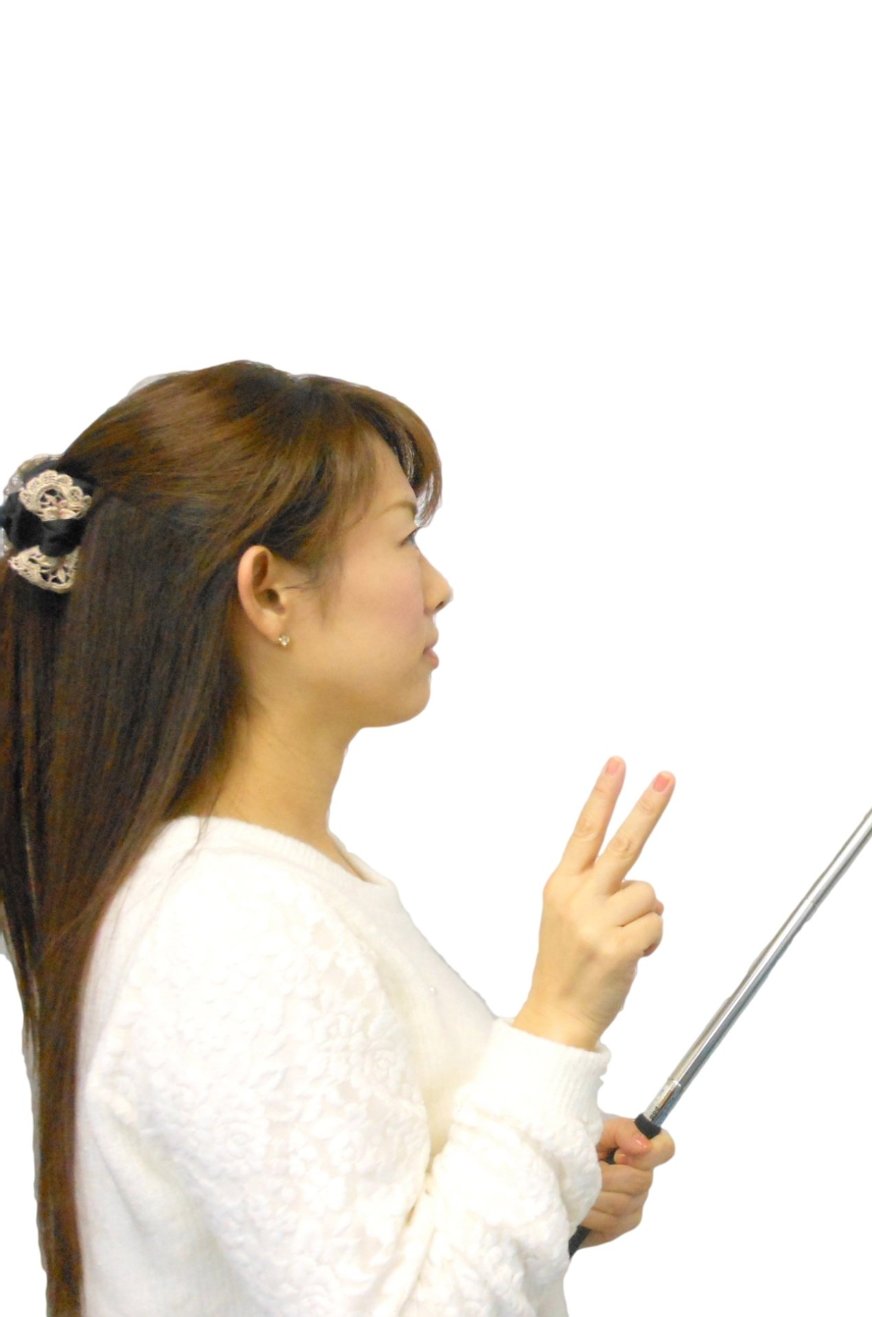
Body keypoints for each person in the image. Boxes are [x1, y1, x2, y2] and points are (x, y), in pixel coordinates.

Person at [0, 360, 675, 1315]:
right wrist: (559, 1019)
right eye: (404, 537)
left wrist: (551, 1158)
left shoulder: (273, 888)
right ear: (269, 592)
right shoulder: (232, 924)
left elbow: (364, 1227)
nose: (439, 586)